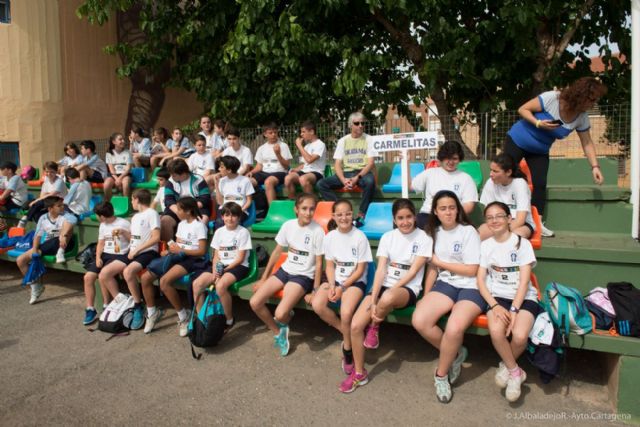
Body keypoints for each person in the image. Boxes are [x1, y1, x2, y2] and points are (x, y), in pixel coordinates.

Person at [341, 198, 431, 393]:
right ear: (394, 219)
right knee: (355, 326)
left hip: (406, 289)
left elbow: (413, 272)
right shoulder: (388, 237)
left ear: (415, 217)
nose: (405, 222)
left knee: (388, 297)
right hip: (383, 288)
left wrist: (387, 293)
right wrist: (373, 300)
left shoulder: (424, 238)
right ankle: (359, 373)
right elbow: (381, 270)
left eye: (408, 217)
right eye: (400, 218)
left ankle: (374, 325)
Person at [505, 77, 607, 237]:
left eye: (596, 100)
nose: (593, 104)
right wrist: (538, 123)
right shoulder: (553, 98)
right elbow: (523, 109)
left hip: (539, 150)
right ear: (581, 95)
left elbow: (587, 142)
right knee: (506, 174)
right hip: (518, 140)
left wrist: (595, 167)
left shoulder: (582, 117)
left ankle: (537, 224)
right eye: (591, 99)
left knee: (540, 184)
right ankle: (501, 216)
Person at [411, 190, 482, 404]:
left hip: (472, 286)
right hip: (446, 284)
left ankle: (441, 375)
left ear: (458, 209)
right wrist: (426, 294)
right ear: (435, 211)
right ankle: (456, 353)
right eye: (443, 208)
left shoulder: (468, 231)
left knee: (454, 328)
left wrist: (440, 263)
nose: (448, 212)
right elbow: (433, 269)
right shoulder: (434, 233)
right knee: (419, 320)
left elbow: (471, 270)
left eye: (452, 207)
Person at [477, 201, 539, 402]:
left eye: (499, 216)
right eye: (489, 218)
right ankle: (515, 372)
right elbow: (480, 280)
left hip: (523, 297)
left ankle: (506, 367)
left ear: (509, 218)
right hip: (497, 297)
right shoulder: (485, 245)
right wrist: (494, 305)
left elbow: (524, 282)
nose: (494, 220)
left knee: (519, 336)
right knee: (497, 331)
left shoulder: (522, 243)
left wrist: (514, 310)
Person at [249, 193, 324, 356]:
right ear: (296, 209)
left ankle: (285, 316)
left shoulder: (318, 231)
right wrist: (263, 278)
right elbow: (276, 253)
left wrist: (315, 290)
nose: (308, 213)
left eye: (312, 209)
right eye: (304, 208)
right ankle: (278, 332)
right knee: (255, 302)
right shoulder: (288, 225)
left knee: (280, 313)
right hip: (285, 270)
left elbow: (319, 263)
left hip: (303, 276)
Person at [311, 199, 373, 376]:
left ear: (352, 214)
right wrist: (332, 285)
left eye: (347, 214)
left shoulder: (360, 237)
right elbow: (330, 266)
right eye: (339, 214)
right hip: (336, 280)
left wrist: (342, 287)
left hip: (355, 281)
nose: (344, 218)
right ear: (333, 216)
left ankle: (347, 348)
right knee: (317, 304)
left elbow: (360, 270)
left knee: (346, 313)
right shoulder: (330, 237)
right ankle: (346, 332)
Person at [141, 197, 208, 336]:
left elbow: (202, 251)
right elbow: (177, 245)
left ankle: (183, 317)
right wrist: (169, 250)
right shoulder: (182, 224)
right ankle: (152, 313)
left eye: (179, 209)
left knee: (164, 282)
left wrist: (181, 250)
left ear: (188, 211)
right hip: (177, 256)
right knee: (145, 278)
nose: (177, 211)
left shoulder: (199, 225)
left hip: (192, 259)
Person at [192, 202, 252, 329]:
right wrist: (215, 269)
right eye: (227, 215)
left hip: (237, 266)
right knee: (197, 284)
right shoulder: (219, 232)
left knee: (220, 286)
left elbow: (240, 258)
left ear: (239, 217)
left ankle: (229, 319)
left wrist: (223, 271)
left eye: (234, 215)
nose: (230, 218)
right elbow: (216, 256)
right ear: (222, 217)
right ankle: (201, 319)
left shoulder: (243, 232)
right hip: (220, 266)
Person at [317, 112, 376, 227]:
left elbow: (370, 163)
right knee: (321, 184)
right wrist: (343, 180)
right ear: (350, 125)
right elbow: (337, 164)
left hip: (362, 173)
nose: (360, 126)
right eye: (357, 123)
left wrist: (357, 178)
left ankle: (361, 215)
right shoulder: (343, 141)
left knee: (370, 181)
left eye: (362, 123)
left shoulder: (369, 139)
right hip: (346, 173)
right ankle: (341, 210)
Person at [16, 196, 76, 305]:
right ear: (50, 208)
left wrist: (63, 235)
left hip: (65, 244)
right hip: (48, 245)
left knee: (60, 236)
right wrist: (35, 250)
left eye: (62, 205)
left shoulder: (66, 215)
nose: (62, 207)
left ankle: (60, 251)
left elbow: (72, 221)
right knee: (20, 260)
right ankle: (35, 287)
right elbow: (37, 235)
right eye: (59, 206)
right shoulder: (43, 218)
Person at [409, 140, 478, 229]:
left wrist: (450, 216)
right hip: (428, 216)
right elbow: (411, 186)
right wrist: (406, 162)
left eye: (454, 158)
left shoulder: (466, 178)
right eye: (447, 158)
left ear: (459, 159)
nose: (451, 162)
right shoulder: (430, 173)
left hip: (453, 217)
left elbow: (469, 205)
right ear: (441, 158)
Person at [82, 201, 131, 325]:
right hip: (105, 254)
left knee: (103, 275)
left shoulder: (124, 223)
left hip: (121, 255)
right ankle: (90, 309)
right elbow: (101, 243)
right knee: (88, 277)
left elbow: (134, 240)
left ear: (102, 216)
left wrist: (124, 233)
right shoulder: (103, 225)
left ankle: (112, 304)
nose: (97, 217)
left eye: (97, 215)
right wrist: (98, 257)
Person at [121, 189, 161, 330]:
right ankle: (115, 306)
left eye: (132, 199)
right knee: (108, 269)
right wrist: (123, 233)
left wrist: (137, 250)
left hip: (148, 252)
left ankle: (138, 305)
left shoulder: (152, 213)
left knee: (128, 272)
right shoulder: (135, 217)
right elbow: (133, 238)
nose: (131, 202)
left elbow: (156, 238)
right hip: (133, 252)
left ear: (137, 199)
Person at [478, 154, 534, 240]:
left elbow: (520, 219)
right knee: (478, 235)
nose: (491, 174)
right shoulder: (490, 183)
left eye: (495, 171)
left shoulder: (520, 184)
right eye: (491, 170)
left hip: (522, 224)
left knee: (513, 238)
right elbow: (488, 214)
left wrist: (500, 232)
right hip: (496, 222)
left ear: (508, 172)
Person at [160, 158, 210, 241]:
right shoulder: (171, 181)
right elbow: (169, 200)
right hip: (176, 208)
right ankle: (170, 246)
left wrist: (189, 210)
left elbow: (205, 198)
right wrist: (179, 212)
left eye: (174, 175)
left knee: (201, 222)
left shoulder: (199, 179)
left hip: (196, 208)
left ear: (183, 174)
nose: (171, 177)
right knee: (165, 221)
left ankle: (194, 247)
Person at [248, 123, 292, 205]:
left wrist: (278, 154)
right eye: (270, 133)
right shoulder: (261, 148)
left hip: (280, 172)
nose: (273, 135)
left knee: (268, 182)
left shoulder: (283, 146)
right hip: (264, 173)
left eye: (275, 132)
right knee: (247, 181)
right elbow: (259, 166)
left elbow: (286, 165)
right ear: (265, 134)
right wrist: (251, 172)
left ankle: (272, 210)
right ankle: (253, 207)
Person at [284, 121, 326, 198]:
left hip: (317, 172)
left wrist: (299, 146)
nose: (301, 134)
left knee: (303, 179)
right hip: (305, 171)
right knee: (288, 178)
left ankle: (311, 201)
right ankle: (293, 201)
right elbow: (305, 164)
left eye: (303, 132)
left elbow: (309, 160)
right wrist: (296, 169)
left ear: (312, 132)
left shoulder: (320, 144)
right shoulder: (307, 146)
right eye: (301, 132)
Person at [19, 161, 68, 227]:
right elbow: (42, 195)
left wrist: (36, 201)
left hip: (60, 204)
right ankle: (42, 228)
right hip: (50, 203)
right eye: (47, 171)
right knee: (36, 213)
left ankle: (26, 218)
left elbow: (52, 194)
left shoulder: (59, 181)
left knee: (38, 203)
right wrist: (41, 198)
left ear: (56, 172)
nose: (49, 174)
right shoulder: (46, 181)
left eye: (52, 172)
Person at [213, 155, 254, 228]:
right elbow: (220, 202)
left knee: (234, 222)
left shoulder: (245, 180)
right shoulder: (221, 181)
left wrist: (241, 210)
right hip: (224, 210)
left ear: (229, 170)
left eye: (221, 167)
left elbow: (249, 201)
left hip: (239, 210)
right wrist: (216, 184)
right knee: (219, 222)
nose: (219, 169)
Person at [103, 132, 134, 201]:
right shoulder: (109, 154)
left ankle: (126, 204)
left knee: (125, 183)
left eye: (123, 139)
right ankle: (110, 204)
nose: (123, 141)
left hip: (125, 174)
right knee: (106, 184)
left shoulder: (128, 152)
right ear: (114, 142)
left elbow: (128, 169)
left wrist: (120, 178)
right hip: (114, 175)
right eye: (120, 139)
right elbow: (111, 169)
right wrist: (117, 179)